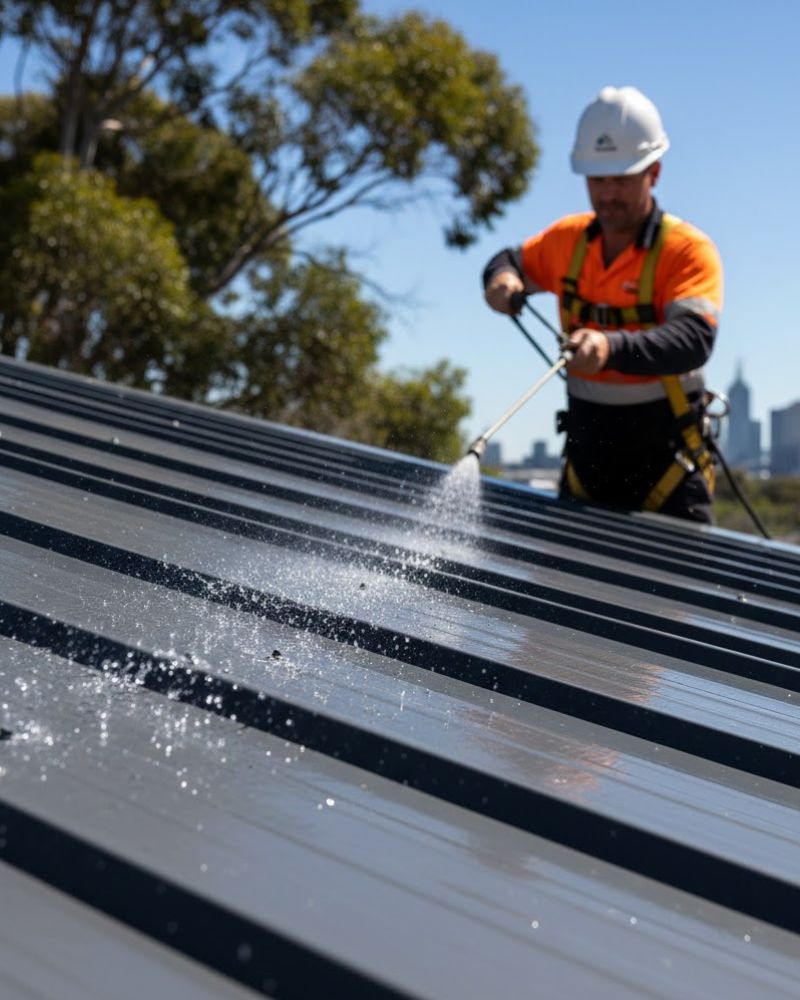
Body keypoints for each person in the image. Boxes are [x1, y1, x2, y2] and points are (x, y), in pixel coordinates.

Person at [483, 86, 723, 523]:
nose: (608, 194)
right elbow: (509, 261)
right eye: (598, 180)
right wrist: (502, 279)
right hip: (586, 472)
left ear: (654, 173)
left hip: (669, 478)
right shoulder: (568, 242)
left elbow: (693, 339)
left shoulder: (686, 251)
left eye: (622, 179)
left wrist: (610, 348)